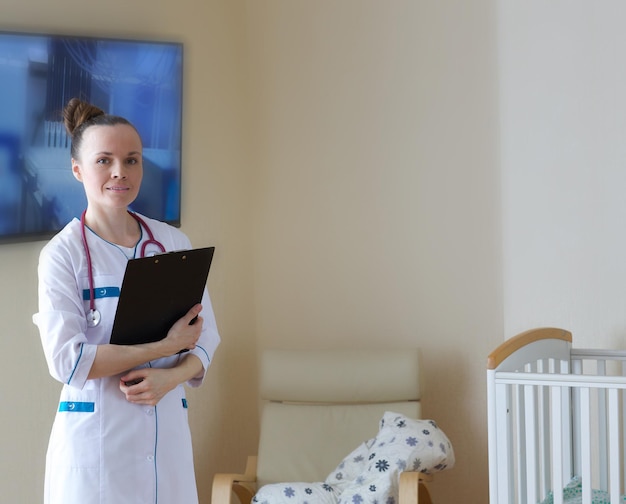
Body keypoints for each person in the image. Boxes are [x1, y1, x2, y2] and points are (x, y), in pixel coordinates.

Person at [32, 98, 220, 504]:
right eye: (104, 160)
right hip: (98, 443)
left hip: (164, 438)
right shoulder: (62, 255)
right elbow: (68, 360)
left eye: (132, 160)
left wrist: (170, 377)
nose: (120, 172)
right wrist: (166, 347)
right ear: (78, 169)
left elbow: (207, 338)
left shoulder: (171, 242)